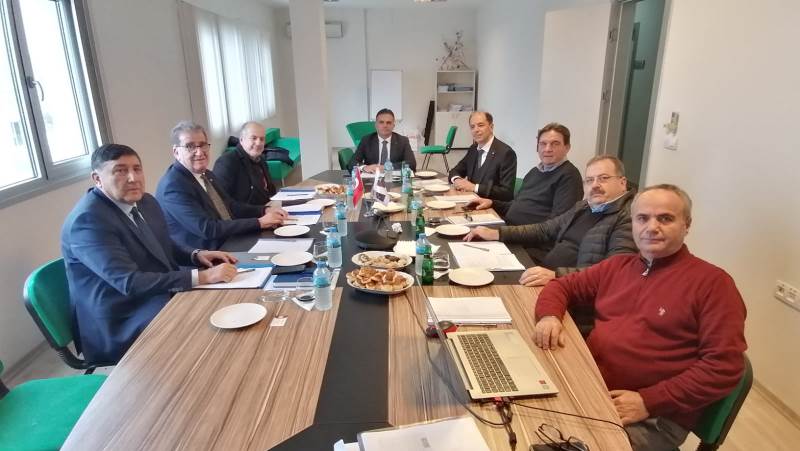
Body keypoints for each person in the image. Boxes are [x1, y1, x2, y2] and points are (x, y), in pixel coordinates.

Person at [533, 185, 747, 451]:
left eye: (665, 218)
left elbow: (724, 367)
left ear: (687, 225)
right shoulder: (618, 266)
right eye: (642, 218)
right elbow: (561, 286)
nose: (652, 227)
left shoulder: (713, 284)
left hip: (654, 415)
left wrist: (649, 401)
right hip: (592, 385)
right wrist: (549, 317)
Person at [62, 144, 239, 365]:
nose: (133, 178)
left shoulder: (145, 201)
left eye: (137, 169)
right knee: (206, 330)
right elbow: (130, 283)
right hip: (122, 317)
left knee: (224, 305)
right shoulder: (88, 221)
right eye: (120, 171)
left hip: (154, 294)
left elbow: (163, 243)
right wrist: (202, 276)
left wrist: (196, 255)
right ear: (97, 179)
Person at [464, 155, 636, 287]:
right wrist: (496, 233)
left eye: (603, 178)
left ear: (622, 183)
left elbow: (613, 273)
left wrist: (556, 276)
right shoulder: (584, 207)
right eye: (590, 180)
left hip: (568, 289)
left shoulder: (628, 219)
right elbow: (545, 229)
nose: (595, 185)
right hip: (545, 274)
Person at [156, 121, 288, 250]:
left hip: (231, 240)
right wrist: (259, 223)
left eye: (203, 145)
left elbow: (230, 206)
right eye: (190, 146)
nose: (199, 152)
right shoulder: (173, 186)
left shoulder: (206, 174)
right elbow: (207, 229)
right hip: (209, 255)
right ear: (176, 152)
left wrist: (264, 210)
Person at [466, 122, 582, 225]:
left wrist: (502, 234)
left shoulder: (569, 176)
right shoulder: (534, 172)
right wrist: (491, 203)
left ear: (567, 147)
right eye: (543, 143)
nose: (547, 149)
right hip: (510, 227)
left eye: (555, 143)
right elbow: (516, 205)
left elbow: (555, 227)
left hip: (527, 240)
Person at [448, 111, 517, 201]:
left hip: (492, 206)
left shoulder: (506, 153)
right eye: (472, 127)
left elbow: (506, 193)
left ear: (491, 127)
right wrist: (457, 180)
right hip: (470, 202)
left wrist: (474, 187)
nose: (476, 130)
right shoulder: (473, 149)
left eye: (480, 125)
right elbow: (455, 171)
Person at [213, 121, 277, 205]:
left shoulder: (261, 159)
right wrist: (263, 210)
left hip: (268, 207)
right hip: (249, 212)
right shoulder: (226, 162)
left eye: (262, 139)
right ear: (241, 140)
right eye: (253, 138)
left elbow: (270, 190)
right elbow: (223, 203)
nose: (258, 143)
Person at [348, 108, 416, 172]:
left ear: (393, 126)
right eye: (381, 122)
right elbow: (352, 162)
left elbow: (411, 163)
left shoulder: (403, 141)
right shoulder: (366, 140)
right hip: (372, 177)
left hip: (393, 177)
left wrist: (386, 167)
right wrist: (364, 167)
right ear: (376, 125)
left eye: (388, 122)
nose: (385, 125)